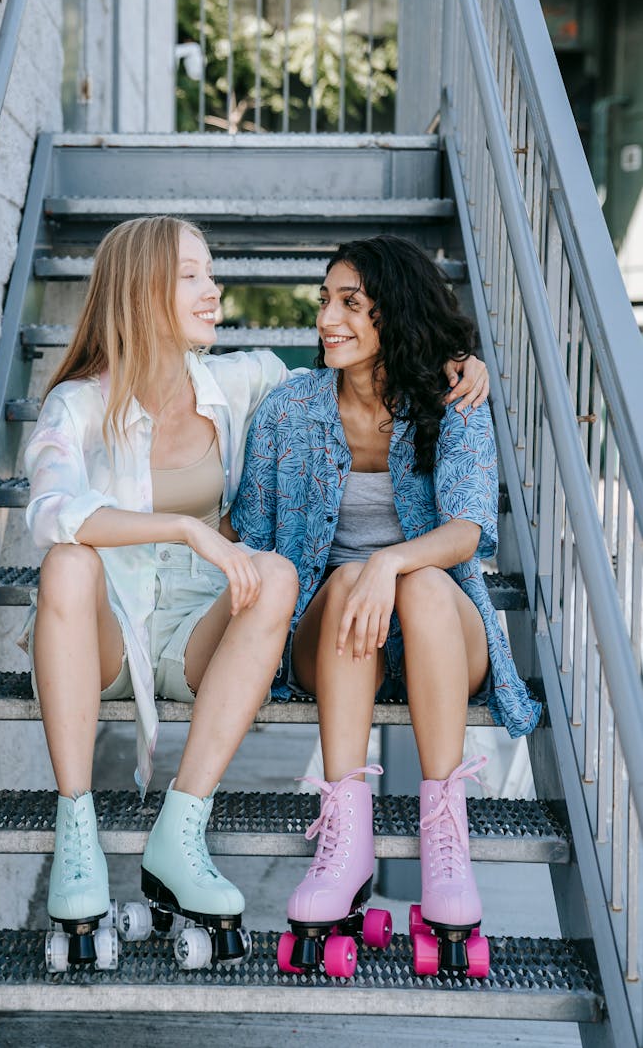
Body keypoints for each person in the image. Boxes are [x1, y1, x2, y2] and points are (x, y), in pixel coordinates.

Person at [23, 216, 491, 966]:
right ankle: (75, 836)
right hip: (107, 630)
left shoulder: (245, 382)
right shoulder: (78, 406)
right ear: (143, 289)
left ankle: (181, 833)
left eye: (213, 274)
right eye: (195, 276)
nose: (216, 291)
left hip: (206, 629)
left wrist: (460, 362)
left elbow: (374, 371)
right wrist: (186, 527)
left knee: (285, 573)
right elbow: (47, 512)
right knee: (68, 564)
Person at [231, 234, 541, 975]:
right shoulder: (289, 410)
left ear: (392, 314)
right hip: (334, 641)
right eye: (325, 302)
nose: (327, 319)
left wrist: (391, 564)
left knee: (427, 582)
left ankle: (446, 843)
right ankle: (345, 838)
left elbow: (466, 531)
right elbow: (251, 532)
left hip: (436, 636)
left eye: (350, 303)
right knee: (342, 584)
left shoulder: (452, 396)